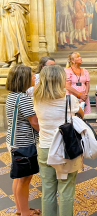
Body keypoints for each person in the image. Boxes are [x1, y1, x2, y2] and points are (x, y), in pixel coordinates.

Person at [33, 65, 84, 216]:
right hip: (65, 148)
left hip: (45, 147)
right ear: (61, 80)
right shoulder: (70, 99)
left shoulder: (36, 99)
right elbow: (81, 114)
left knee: (48, 189)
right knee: (66, 189)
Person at [5, 65, 40, 216]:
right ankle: (25, 212)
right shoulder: (24, 98)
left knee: (19, 178)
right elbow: (34, 122)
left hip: (14, 141)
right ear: (24, 78)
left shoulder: (13, 95)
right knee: (25, 179)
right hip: (24, 143)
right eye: (32, 75)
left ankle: (20, 209)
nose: (34, 77)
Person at [0, 0, 33, 67]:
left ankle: (15, 59)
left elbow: (25, 5)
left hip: (12, 17)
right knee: (5, 39)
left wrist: (11, 6)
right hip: (3, 18)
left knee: (13, 37)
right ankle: (7, 60)